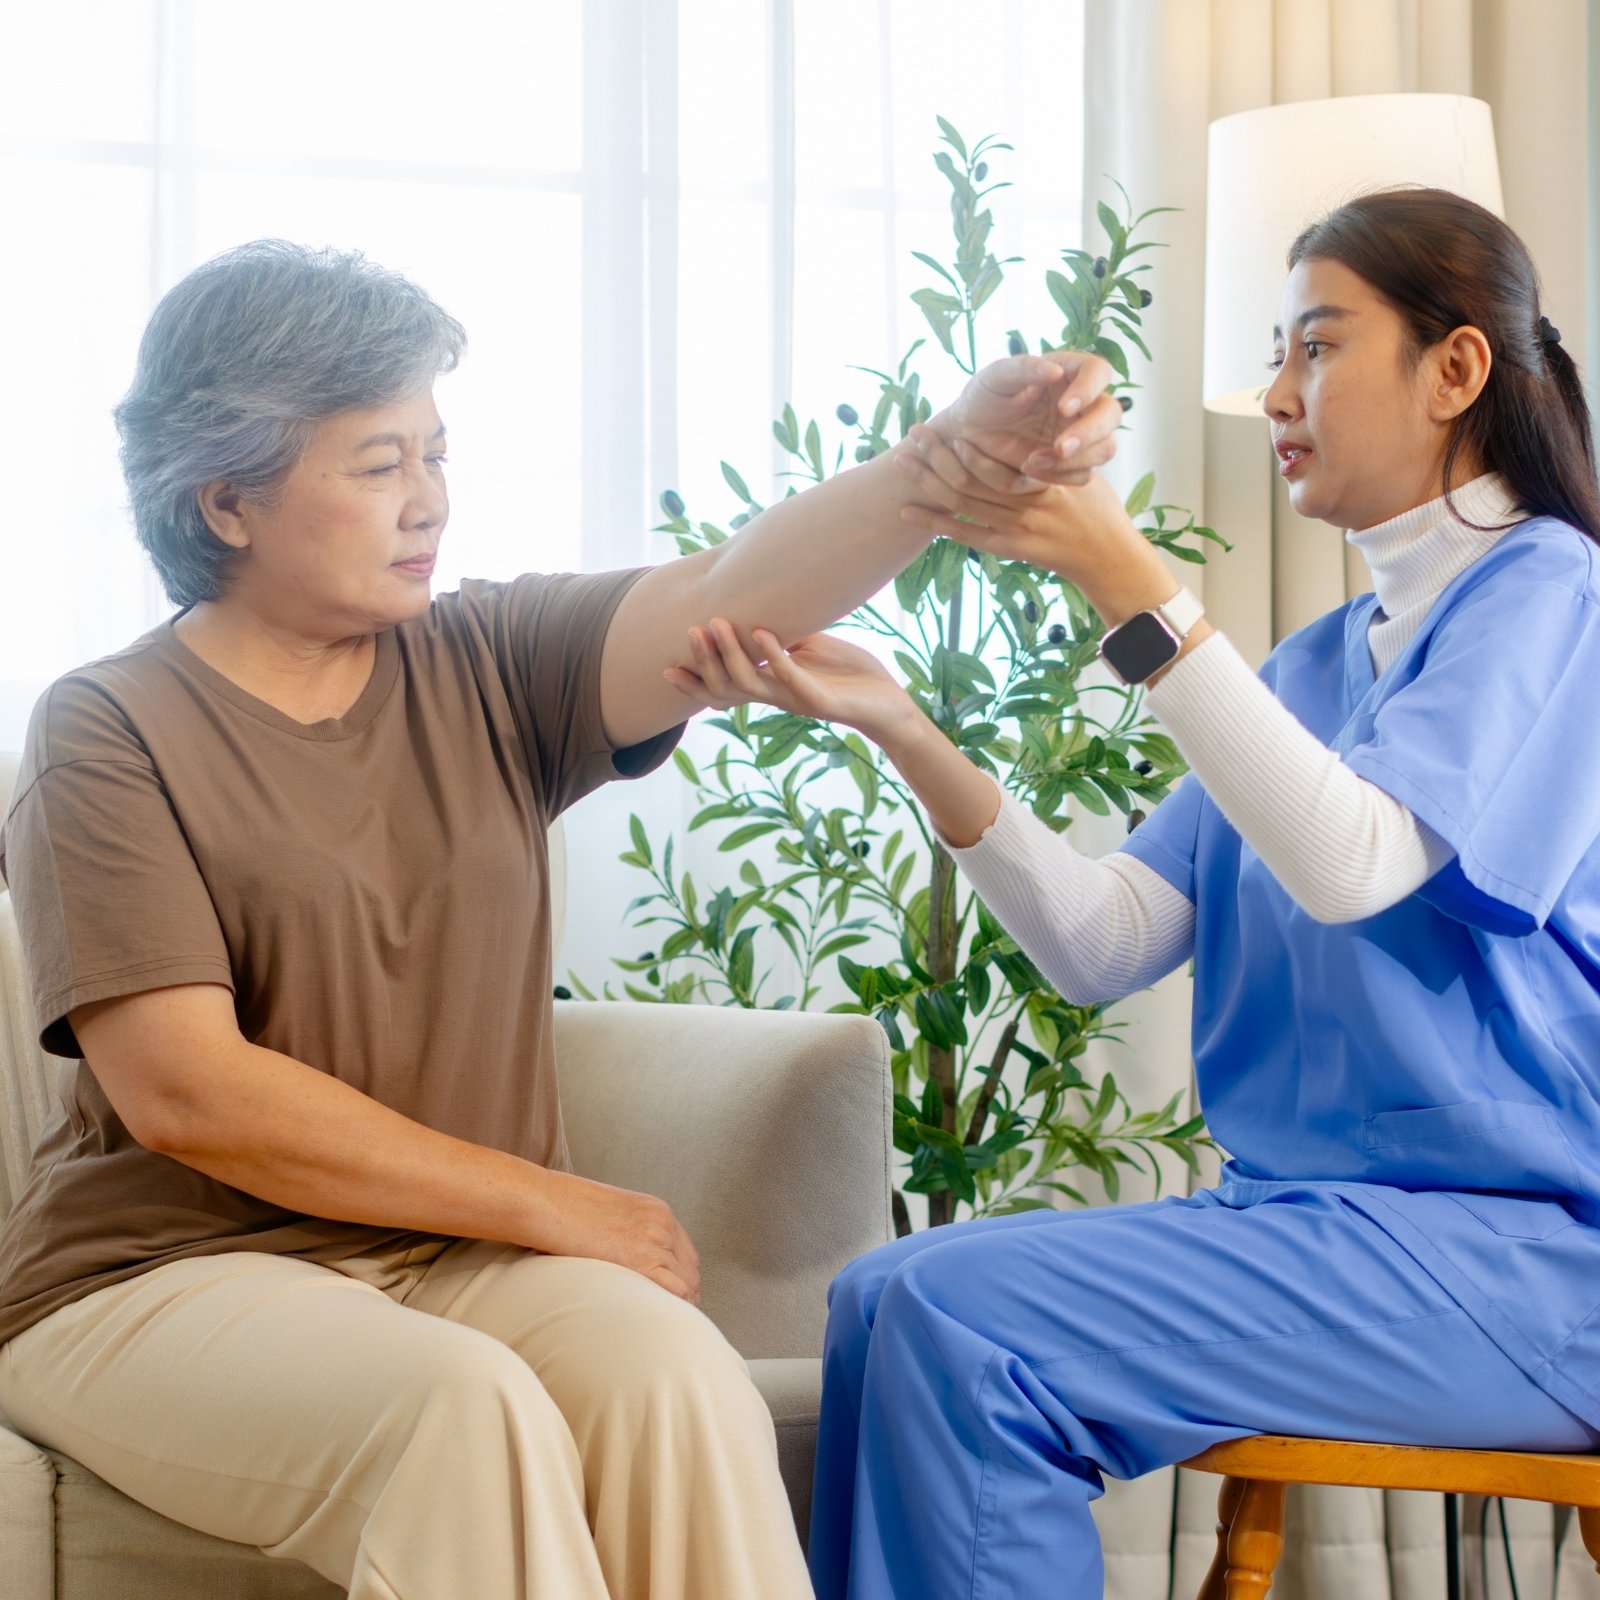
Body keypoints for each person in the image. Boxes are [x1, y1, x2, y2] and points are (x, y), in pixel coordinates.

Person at [0, 238, 1125, 1600]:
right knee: (462, 1412)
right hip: (161, 1275)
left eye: (436, 453)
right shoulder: (105, 728)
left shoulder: (485, 661)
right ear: (226, 502)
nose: (430, 502)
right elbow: (189, 1092)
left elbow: (724, 600)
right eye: (378, 465)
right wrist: (554, 1202)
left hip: (452, 1266)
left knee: (673, 1377)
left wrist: (937, 467)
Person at [668, 187, 1600, 1600]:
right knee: (885, 1294)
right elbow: (1104, 943)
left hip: (1526, 1262)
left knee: (962, 1323)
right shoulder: (1311, 662)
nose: (1277, 395)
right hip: (1323, 1234)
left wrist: (1132, 583)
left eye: (1318, 349)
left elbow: (1356, 865)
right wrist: (908, 730)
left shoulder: (1557, 597)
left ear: (1456, 369)